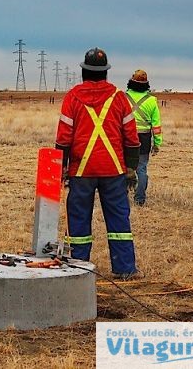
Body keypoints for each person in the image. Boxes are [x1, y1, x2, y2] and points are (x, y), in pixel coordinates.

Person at [55, 48, 142, 279]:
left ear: (84, 71)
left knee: (78, 219)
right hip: (113, 170)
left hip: (80, 170)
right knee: (118, 220)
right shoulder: (119, 98)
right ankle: (124, 268)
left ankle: (78, 267)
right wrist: (131, 168)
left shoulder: (72, 97)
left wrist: (61, 169)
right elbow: (132, 137)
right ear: (105, 73)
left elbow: (63, 137)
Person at [126, 69, 163, 206]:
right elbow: (156, 125)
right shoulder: (152, 101)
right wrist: (157, 143)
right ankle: (140, 199)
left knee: (124, 167)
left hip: (126, 139)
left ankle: (122, 197)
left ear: (131, 82)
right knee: (141, 169)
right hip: (144, 139)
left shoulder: (123, 98)